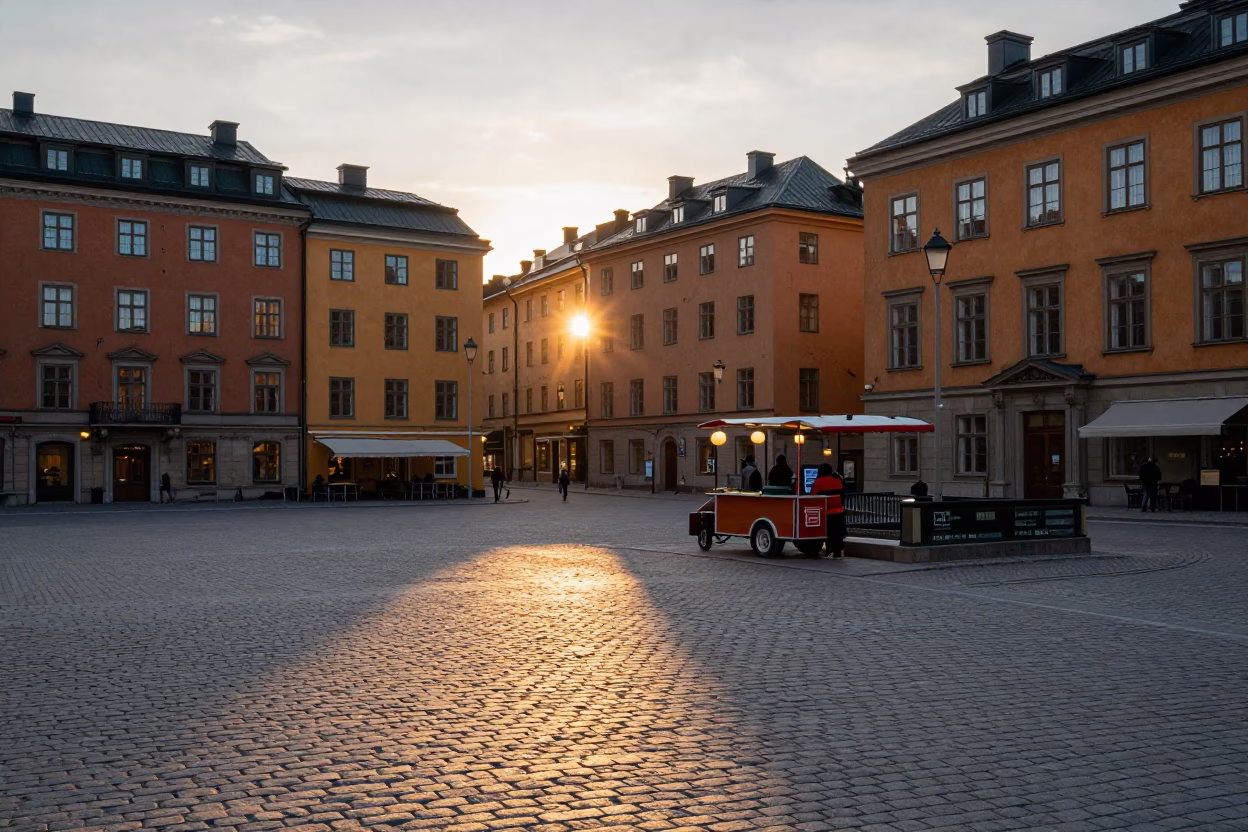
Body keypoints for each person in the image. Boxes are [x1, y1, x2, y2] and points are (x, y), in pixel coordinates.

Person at [811, 462, 847, 558]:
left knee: (829, 534)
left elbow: (812, 497)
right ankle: (838, 552)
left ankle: (829, 551)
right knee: (838, 533)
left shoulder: (818, 482)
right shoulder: (837, 480)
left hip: (827, 512)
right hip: (839, 512)